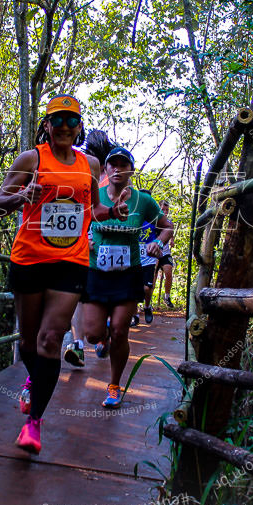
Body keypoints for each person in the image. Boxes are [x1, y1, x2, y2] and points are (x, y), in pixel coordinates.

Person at [0, 96, 127, 454]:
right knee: (29, 341)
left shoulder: (91, 164)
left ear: (79, 126)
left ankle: (34, 422)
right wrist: (22, 195)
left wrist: (113, 211)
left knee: (51, 340)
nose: (66, 126)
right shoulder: (31, 159)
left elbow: (91, 209)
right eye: (58, 120)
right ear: (48, 126)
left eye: (72, 120)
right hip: (30, 259)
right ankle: (32, 379)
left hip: (71, 260)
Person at [82, 147, 174, 408]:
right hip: (97, 273)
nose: (118, 169)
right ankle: (104, 337)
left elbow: (166, 226)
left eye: (124, 165)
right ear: (106, 169)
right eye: (113, 164)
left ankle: (114, 386)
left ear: (131, 171)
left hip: (128, 273)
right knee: (92, 334)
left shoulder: (142, 202)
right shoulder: (94, 196)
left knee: (122, 330)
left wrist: (157, 243)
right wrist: (84, 241)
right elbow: (79, 224)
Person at [63, 130, 114, 368]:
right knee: (80, 295)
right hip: (85, 242)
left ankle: (89, 340)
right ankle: (79, 344)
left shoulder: (111, 173)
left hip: (101, 243)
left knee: (85, 297)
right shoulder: (83, 169)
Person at [136, 188, 160, 326]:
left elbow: (166, 231)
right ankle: (134, 315)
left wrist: (158, 245)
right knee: (132, 288)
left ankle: (147, 306)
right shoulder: (132, 214)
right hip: (133, 257)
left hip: (148, 257)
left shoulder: (155, 218)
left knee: (146, 288)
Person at [156, 200, 176, 309]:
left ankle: (167, 297)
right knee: (152, 278)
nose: (165, 212)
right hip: (154, 254)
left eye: (167, 210)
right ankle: (147, 302)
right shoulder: (154, 221)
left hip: (165, 253)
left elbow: (171, 236)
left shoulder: (170, 223)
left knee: (168, 271)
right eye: (162, 209)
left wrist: (172, 241)